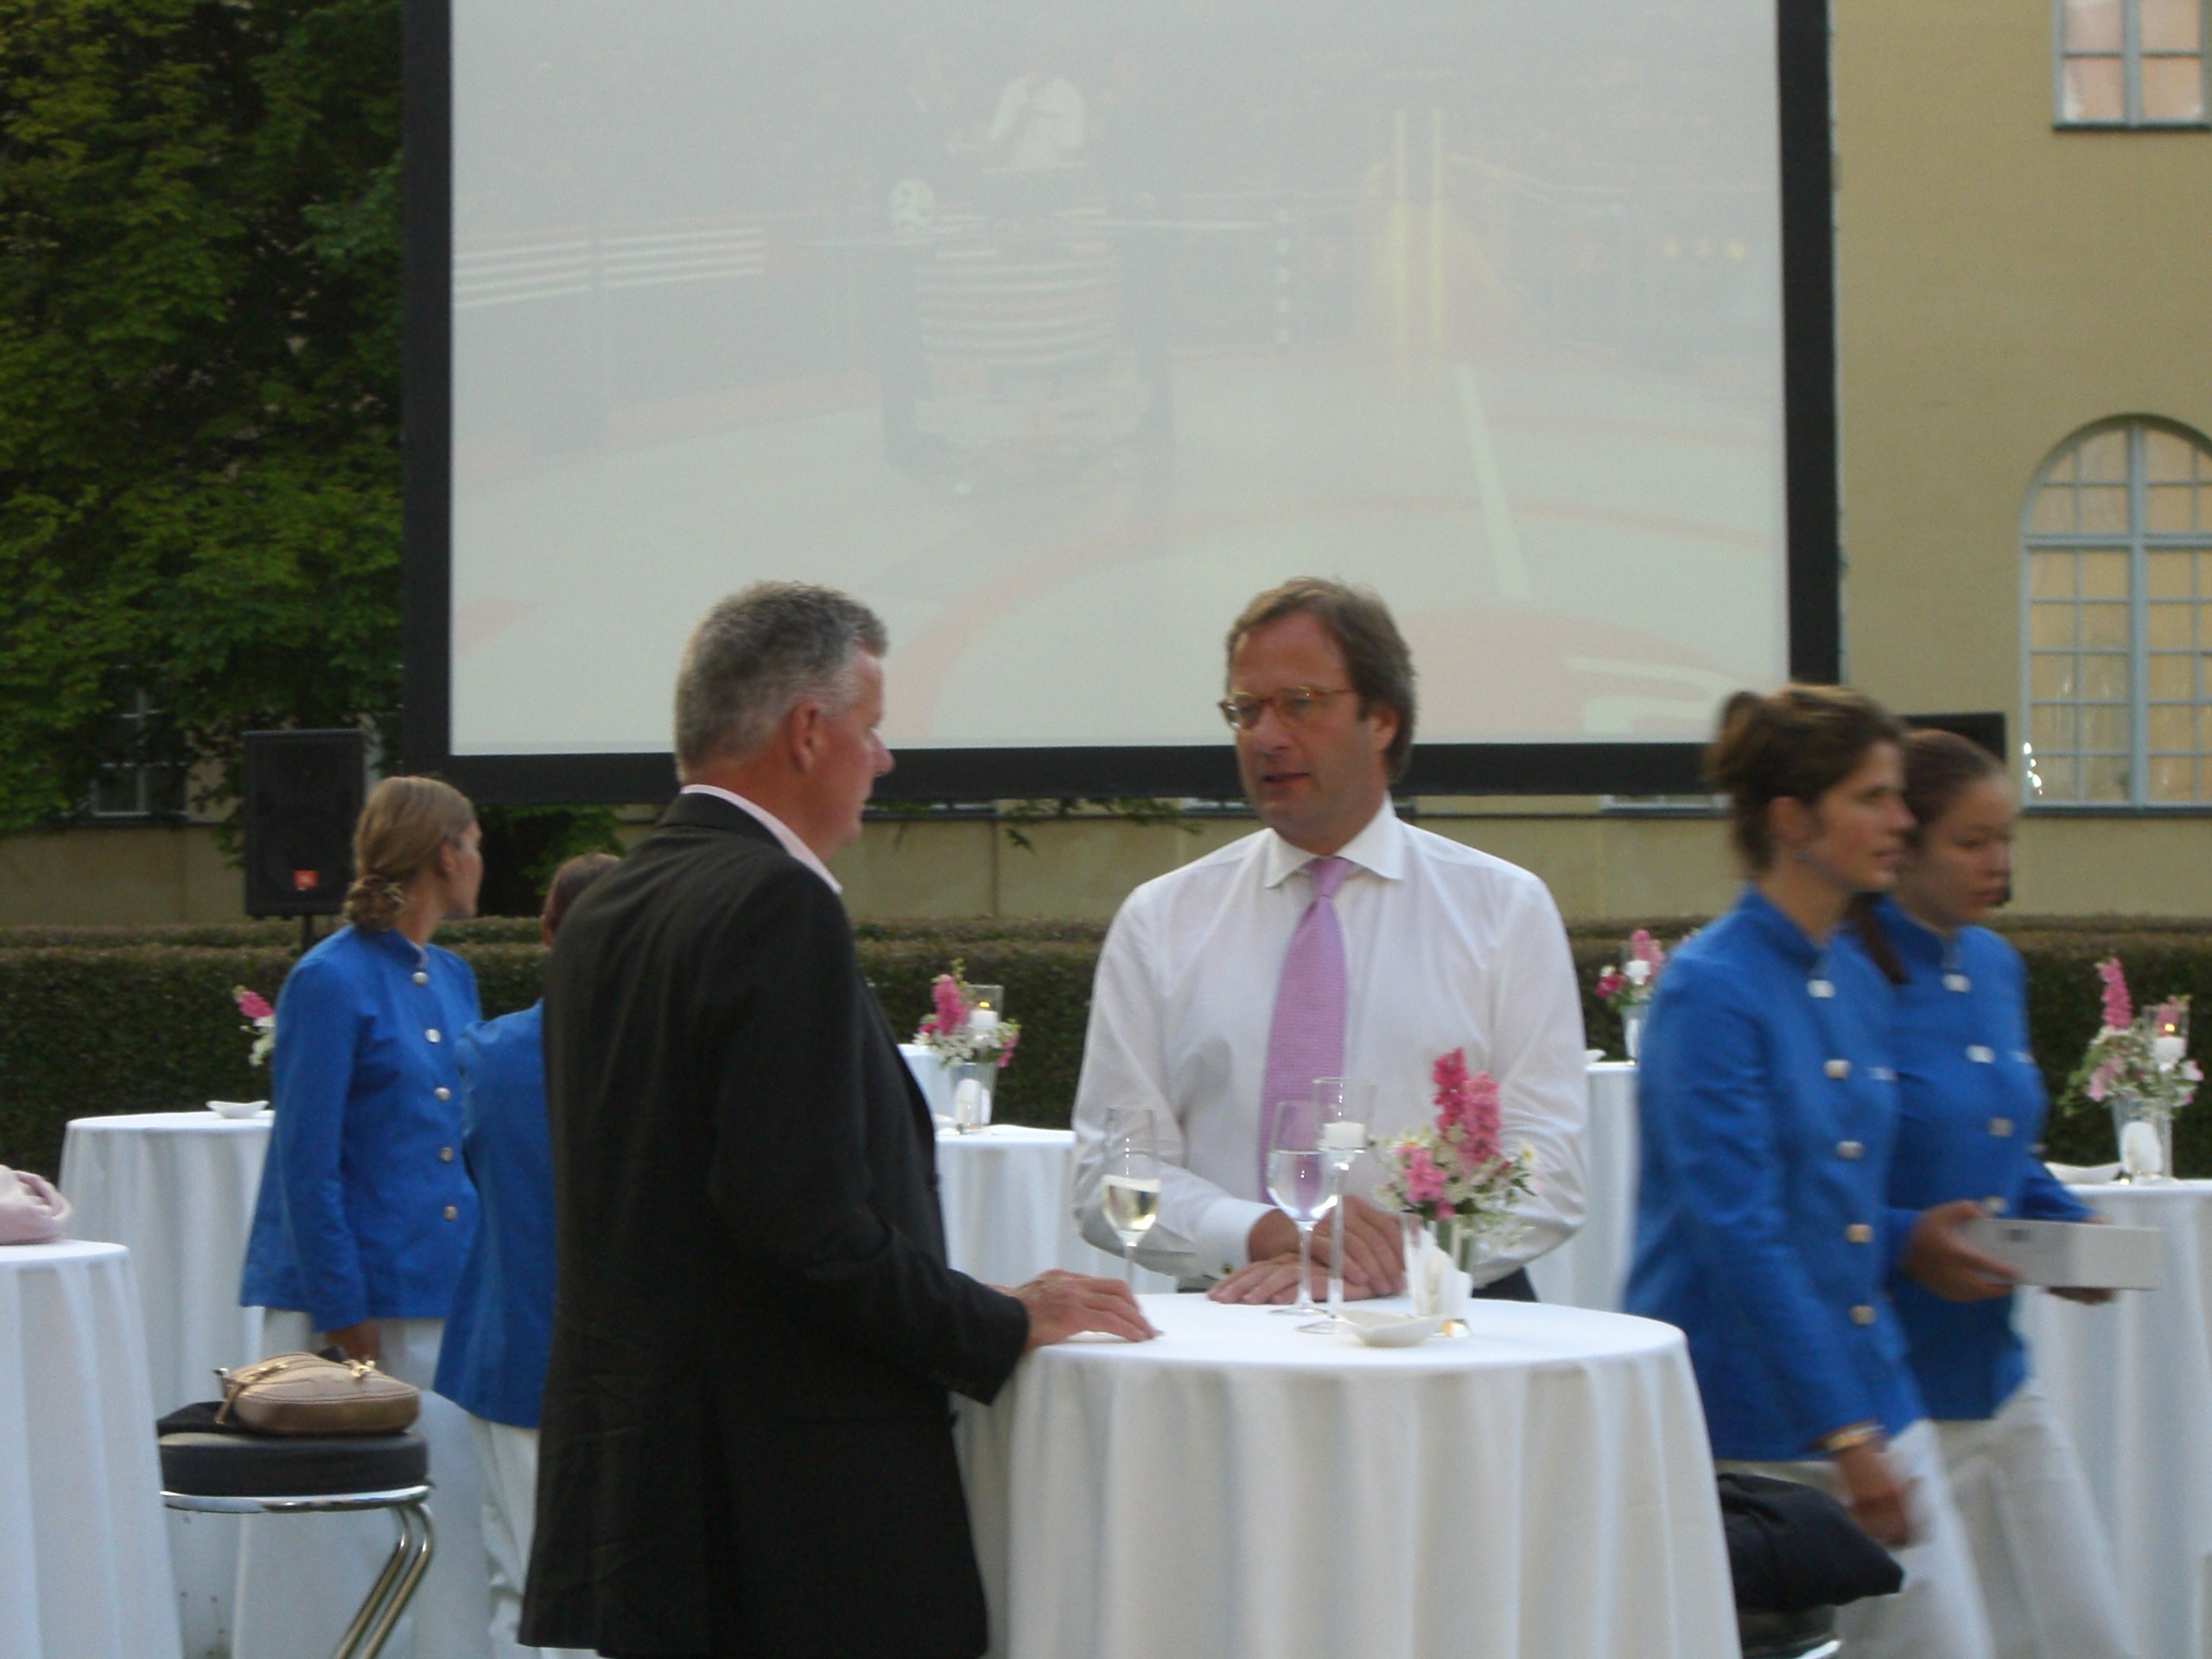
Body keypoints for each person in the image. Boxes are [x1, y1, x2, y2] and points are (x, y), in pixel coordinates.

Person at [520, 582, 1154, 1659]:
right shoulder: (775, 904)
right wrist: (995, 1323)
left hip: (648, 1498)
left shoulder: (608, 910)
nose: (885, 758)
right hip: (793, 1519)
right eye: (874, 727)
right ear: (809, 732)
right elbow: (799, 1223)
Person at [1627, 685, 2014, 1659]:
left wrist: (1908, 1237)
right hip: (1759, 1425)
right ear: (1793, 821)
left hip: (1872, 1394)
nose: (1901, 821)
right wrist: (1843, 1431)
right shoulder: (1710, 992)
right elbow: (1739, 1232)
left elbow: (1834, 1203)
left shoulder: (1848, 972)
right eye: (1872, 798)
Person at [1069, 577, 1588, 1302]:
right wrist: (1260, 1233)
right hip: (1232, 1318)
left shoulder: (1502, 910)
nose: (1267, 736)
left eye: (1301, 704)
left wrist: (1386, 1265)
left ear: (1383, 719)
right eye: (1246, 710)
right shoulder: (1162, 921)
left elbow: (1548, 1168)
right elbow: (1113, 1175)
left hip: (1441, 1324)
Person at [1857, 728, 2136, 1659]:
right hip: (1891, 1389)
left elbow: (2001, 1149)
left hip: (1998, 1380)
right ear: (1903, 845)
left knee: (2088, 1635)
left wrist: (2068, 1229)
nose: (1998, 863)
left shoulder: (1992, 965)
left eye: (2006, 839)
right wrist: (1907, 1238)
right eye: (1971, 842)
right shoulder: (1843, 977)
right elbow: (1811, 1183)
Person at [233, 774, 494, 1659]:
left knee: (454, 1518)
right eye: (474, 844)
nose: (481, 861)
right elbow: (306, 1165)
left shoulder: (452, 976)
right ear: (444, 855)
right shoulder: (328, 979)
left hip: (444, 1287)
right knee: (336, 1542)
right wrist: (345, 1313)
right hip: (358, 1303)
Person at [434, 851, 621, 1659]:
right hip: (626, 1354)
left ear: (548, 932)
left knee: (517, 1577)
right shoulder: (669, 1047)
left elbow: (479, 1169)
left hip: (515, 1342)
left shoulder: (490, 1053)